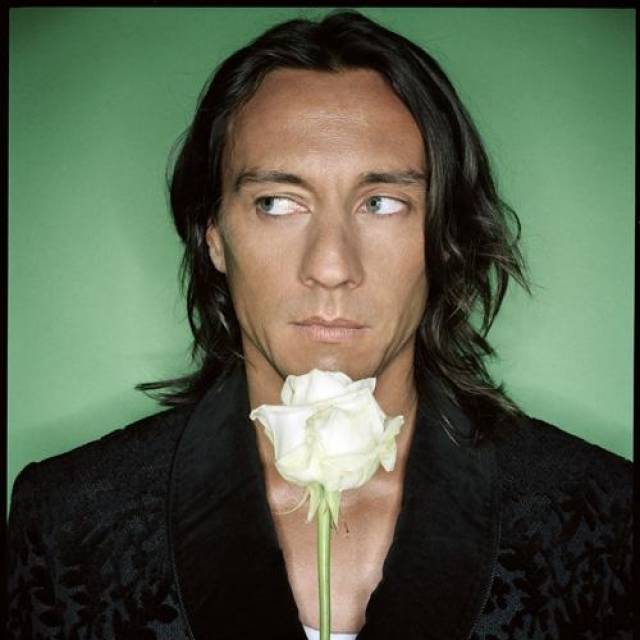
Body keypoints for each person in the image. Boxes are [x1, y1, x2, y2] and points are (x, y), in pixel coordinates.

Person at [7, 10, 632, 640]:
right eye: (278, 203)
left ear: (444, 234)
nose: (331, 267)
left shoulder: (603, 518)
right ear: (214, 235)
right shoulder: (67, 523)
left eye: (381, 203)